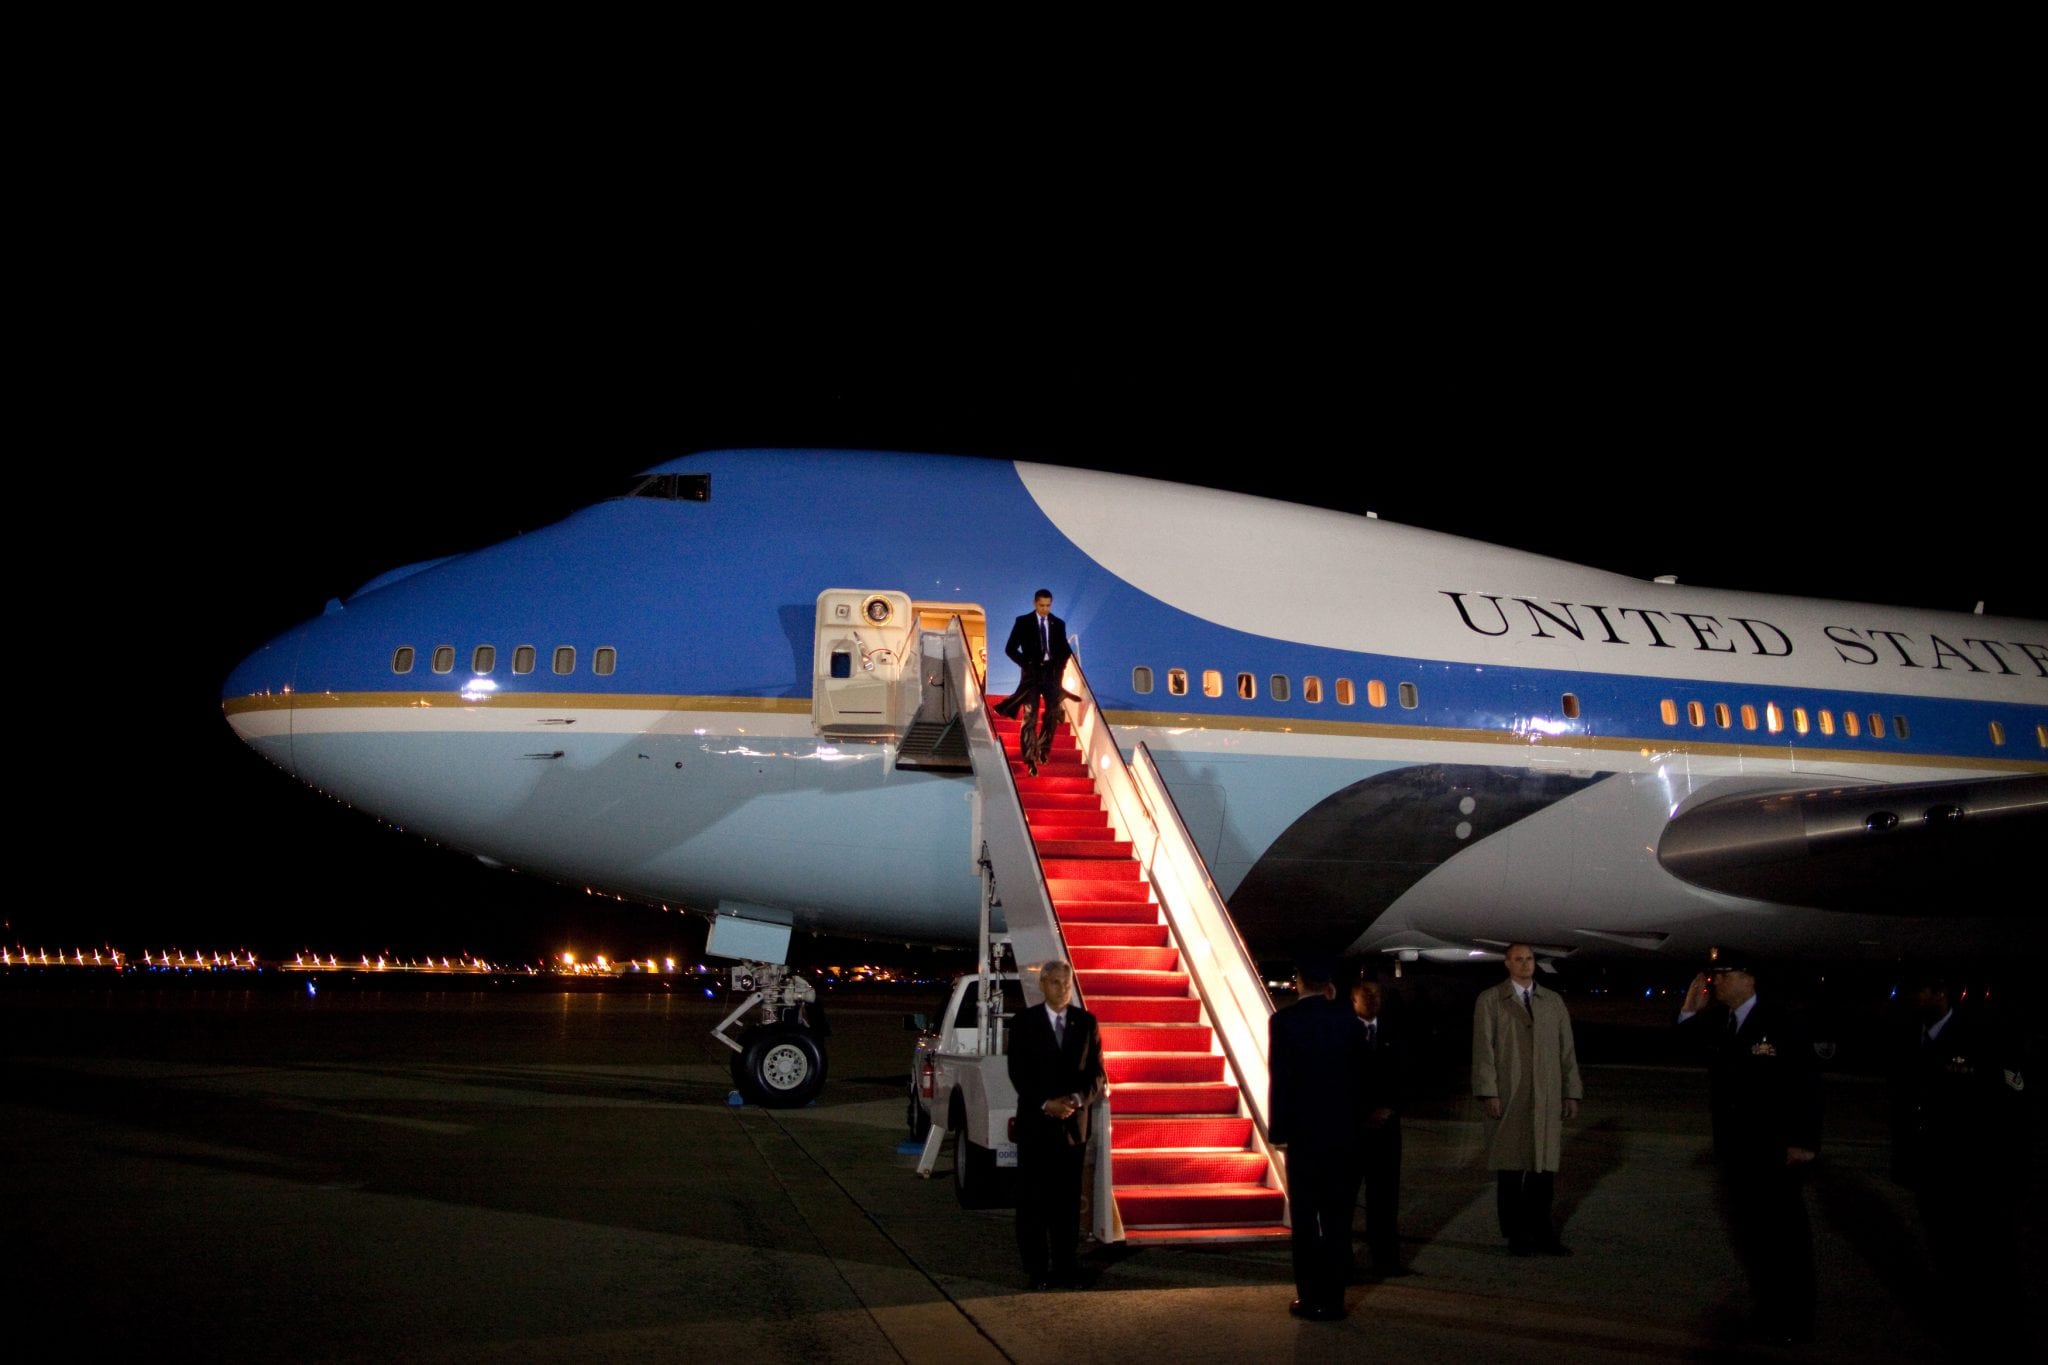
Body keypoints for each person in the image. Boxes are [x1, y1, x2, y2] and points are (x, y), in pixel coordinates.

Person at [1677, 951, 1821, 1345]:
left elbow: (1805, 1082)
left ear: (1749, 979)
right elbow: (1691, 1050)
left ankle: (1795, 1319)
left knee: (1785, 1239)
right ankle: (1770, 1310)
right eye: (1715, 975)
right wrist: (1689, 1010)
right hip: (1738, 1151)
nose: (1716, 982)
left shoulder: (1780, 1020)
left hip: (1775, 1151)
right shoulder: (1724, 1022)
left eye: (1724, 975)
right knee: (1755, 1236)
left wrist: (1804, 1141)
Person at [1886, 970, 2025, 1348]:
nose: (1912, 999)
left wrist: (2003, 1169)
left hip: (1973, 1171)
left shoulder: (1979, 1037)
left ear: (1940, 994)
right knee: (1946, 1247)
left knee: (1986, 1252)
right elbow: (1907, 1105)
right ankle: (1963, 1318)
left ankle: (2000, 1328)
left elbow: (2006, 1109)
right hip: (1931, 1169)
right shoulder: (1913, 1034)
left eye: (1920, 992)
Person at [1268, 953, 1368, 1320]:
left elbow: (1281, 1080)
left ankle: (1310, 1297)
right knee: (1339, 1219)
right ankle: (1336, 1299)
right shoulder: (1349, 1022)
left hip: (1304, 1136)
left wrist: (1279, 1131)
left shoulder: (1283, 1022)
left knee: (1307, 1220)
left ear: (1299, 982)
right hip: (1343, 1135)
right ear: (1330, 985)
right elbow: (1362, 1079)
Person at [1471, 943, 1582, 1256]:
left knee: (1543, 1169)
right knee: (1510, 1168)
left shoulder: (1552, 1001)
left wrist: (1571, 1090)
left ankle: (1542, 1232)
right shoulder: (1491, 1000)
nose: (1525, 964)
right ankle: (1516, 1235)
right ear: (1507, 964)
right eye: (1518, 959)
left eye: (1530, 959)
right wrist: (1489, 1090)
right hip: (1510, 1094)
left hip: (1545, 1096)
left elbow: (1567, 1049)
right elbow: (1484, 1049)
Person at [1006, 958, 1106, 1291]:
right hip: (1036, 1127)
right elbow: (1018, 1072)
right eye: (1055, 983)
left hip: (1071, 1130)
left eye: (1066, 983)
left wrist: (1077, 1101)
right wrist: (1045, 1102)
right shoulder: (1024, 1022)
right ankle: (1036, 1269)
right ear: (1043, 985)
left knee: (1066, 1204)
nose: (1062, 989)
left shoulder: (1086, 1023)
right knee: (1032, 1203)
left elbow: (1097, 1074)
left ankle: (1066, 1266)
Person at [1348, 971, 1413, 1278]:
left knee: (1385, 1199)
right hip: (1352, 1130)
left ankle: (1386, 1259)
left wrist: (1389, 1108)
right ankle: (1343, 1260)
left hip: (1387, 1130)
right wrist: (1363, 1112)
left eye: (1377, 995)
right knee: (1346, 1198)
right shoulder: (1344, 1033)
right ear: (1354, 999)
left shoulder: (1394, 1034)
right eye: (1366, 994)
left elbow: (1405, 1077)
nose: (1373, 1000)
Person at [990, 588, 1072, 774]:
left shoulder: (1058, 624)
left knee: (1052, 713)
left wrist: (1059, 667)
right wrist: (1026, 664)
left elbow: (1065, 649)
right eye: (1042, 605)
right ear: (1035, 603)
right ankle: (1029, 759)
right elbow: (1010, 648)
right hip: (1032, 677)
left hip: (1051, 676)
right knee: (1030, 715)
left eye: (1048, 605)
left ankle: (1043, 749)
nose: (1045, 609)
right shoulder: (1023, 622)